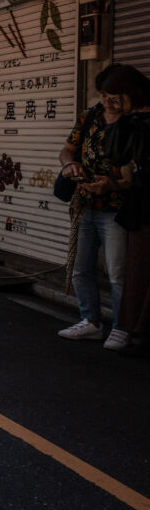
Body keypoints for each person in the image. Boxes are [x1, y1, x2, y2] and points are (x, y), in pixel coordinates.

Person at [55, 66, 131, 346]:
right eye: (104, 96)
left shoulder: (135, 124)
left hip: (116, 209)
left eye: (114, 97)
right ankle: (91, 321)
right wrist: (70, 165)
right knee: (80, 268)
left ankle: (123, 327)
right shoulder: (90, 117)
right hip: (86, 204)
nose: (108, 103)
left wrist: (112, 185)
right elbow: (66, 150)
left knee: (118, 272)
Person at [105, 66, 150, 356]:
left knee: (139, 269)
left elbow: (119, 156)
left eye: (113, 98)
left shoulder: (141, 124)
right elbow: (118, 156)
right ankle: (134, 330)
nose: (109, 104)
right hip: (141, 205)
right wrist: (116, 118)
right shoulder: (133, 122)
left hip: (144, 204)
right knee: (138, 270)